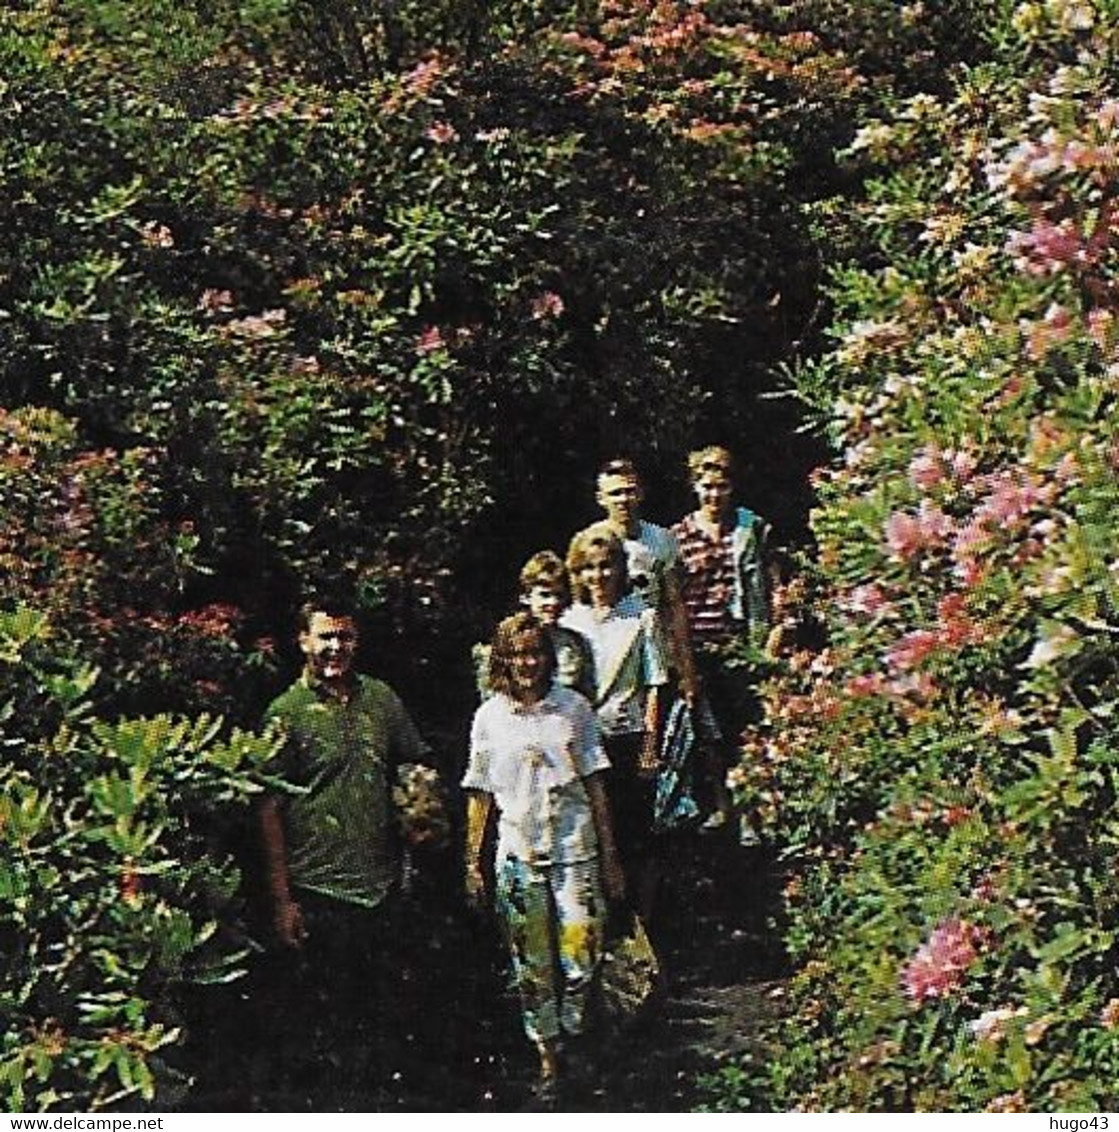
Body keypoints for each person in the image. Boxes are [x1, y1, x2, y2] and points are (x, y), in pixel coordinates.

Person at [257, 598, 430, 1086]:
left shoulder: (381, 699)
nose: (336, 647)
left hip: (382, 887)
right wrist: (281, 900)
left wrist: (420, 822)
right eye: (326, 637)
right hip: (319, 891)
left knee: (384, 1025)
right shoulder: (285, 713)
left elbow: (416, 768)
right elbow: (267, 808)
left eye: (345, 637)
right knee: (327, 1032)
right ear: (304, 642)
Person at [463, 613, 624, 1105]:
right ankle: (549, 1061)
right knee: (531, 966)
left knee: (581, 955)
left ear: (549, 657)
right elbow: (480, 794)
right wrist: (472, 861)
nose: (528, 663)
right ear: (503, 661)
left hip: (575, 849)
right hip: (518, 855)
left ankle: (576, 1032)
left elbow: (597, 787)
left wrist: (612, 857)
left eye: (536, 653)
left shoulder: (573, 708)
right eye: (518, 655)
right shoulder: (489, 717)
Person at [562, 522, 669, 921]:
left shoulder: (642, 617)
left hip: (627, 735)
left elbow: (656, 683)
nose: (599, 576)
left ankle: (641, 927)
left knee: (634, 838)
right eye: (589, 568)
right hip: (581, 741)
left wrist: (650, 744)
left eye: (607, 566)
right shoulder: (570, 620)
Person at [671, 446, 771, 833]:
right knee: (707, 733)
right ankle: (721, 803)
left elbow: (770, 584)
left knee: (745, 729)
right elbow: (675, 598)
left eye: (722, 486)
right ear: (695, 486)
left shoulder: (750, 529)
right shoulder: (679, 536)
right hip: (698, 646)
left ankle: (751, 810)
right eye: (707, 486)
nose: (714, 494)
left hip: (740, 642)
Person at [595, 457, 698, 705]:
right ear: (601, 498)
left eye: (629, 491)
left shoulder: (662, 539)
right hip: (609, 650)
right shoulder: (591, 541)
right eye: (615, 493)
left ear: (640, 493)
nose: (623, 500)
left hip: (654, 650)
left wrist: (687, 670)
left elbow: (675, 605)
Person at [473, 551, 595, 703]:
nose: (553, 602)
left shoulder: (577, 645)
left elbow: (588, 699)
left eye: (559, 595)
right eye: (545, 595)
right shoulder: (506, 643)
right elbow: (491, 697)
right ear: (526, 596)